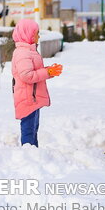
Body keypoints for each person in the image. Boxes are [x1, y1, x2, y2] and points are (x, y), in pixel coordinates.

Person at [11, 19, 63, 147]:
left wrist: (49, 71)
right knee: (29, 131)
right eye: (36, 33)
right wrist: (47, 72)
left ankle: (34, 154)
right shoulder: (23, 53)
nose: (38, 36)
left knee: (34, 130)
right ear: (27, 33)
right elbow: (27, 75)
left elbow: (35, 73)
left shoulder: (29, 51)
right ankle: (28, 154)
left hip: (32, 98)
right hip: (27, 98)